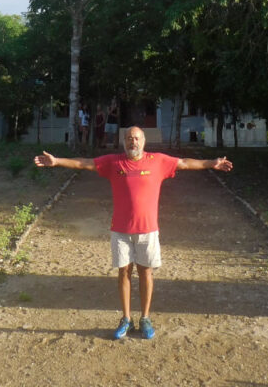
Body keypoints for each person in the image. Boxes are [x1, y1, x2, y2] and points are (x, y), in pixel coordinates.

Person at [33, 126, 233, 340]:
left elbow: (184, 163)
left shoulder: (158, 161)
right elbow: (86, 163)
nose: (133, 142)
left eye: (136, 138)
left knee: (146, 272)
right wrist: (57, 161)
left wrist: (211, 163)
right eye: (129, 138)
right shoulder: (114, 162)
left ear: (144, 141)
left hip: (148, 230)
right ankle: (126, 318)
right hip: (120, 231)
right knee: (124, 273)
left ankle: (145, 318)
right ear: (124, 142)